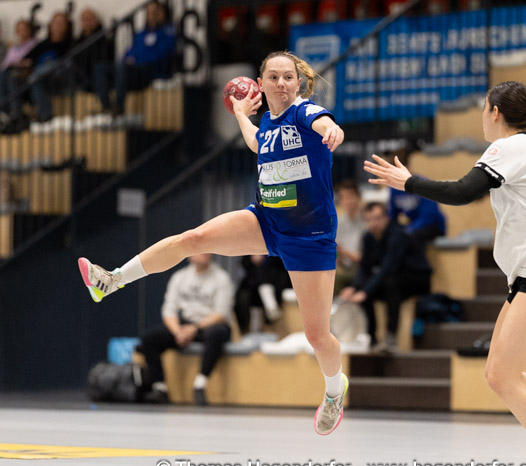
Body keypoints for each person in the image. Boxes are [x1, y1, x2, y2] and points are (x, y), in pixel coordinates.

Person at [78, 50, 348, 435]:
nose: (281, 83)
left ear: (298, 83)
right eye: (273, 77)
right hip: (266, 220)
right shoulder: (267, 121)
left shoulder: (305, 113)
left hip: (310, 237)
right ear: (261, 84)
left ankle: (335, 391)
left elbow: (324, 123)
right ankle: (111, 280)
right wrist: (240, 115)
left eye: (288, 77)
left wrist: (332, 131)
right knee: (194, 238)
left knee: (317, 336)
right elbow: (257, 144)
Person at [364, 81, 526, 466]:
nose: (483, 115)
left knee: (502, 377)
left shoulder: (509, 146)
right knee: (500, 371)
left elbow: (464, 192)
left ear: (495, 112)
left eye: (484, 107)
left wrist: (409, 182)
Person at [136, 254, 234, 405]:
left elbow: (221, 313)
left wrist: (194, 328)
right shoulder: (180, 277)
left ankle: (200, 384)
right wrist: (177, 331)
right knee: (149, 339)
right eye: (200, 250)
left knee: (217, 333)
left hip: (209, 324)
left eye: (207, 250)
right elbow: (169, 310)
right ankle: (160, 388)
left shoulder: (221, 277)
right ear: (189, 256)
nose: (205, 253)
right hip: (184, 324)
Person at [339, 202, 432, 351]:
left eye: (377, 218)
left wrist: (365, 292)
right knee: (364, 289)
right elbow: (365, 268)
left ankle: (391, 337)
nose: (373, 223)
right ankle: (371, 337)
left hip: (416, 278)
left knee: (389, 283)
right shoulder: (368, 237)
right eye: (369, 220)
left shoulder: (398, 234)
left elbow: (388, 268)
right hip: (393, 277)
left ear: (386, 218)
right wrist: (354, 288)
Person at [93, 0, 175, 115]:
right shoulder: (141, 34)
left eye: (155, 11)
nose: (152, 15)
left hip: (149, 71)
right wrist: (126, 59)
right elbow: (129, 52)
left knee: (122, 67)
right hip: (133, 71)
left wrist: (135, 60)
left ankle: (119, 107)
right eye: (149, 12)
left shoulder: (168, 32)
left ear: (162, 13)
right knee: (100, 68)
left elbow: (162, 54)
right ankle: (106, 107)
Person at [388, 149, 446, 246]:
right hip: (413, 225)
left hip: (433, 226)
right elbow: (392, 216)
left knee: (411, 238)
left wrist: (408, 229)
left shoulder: (421, 184)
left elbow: (428, 217)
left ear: (407, 167)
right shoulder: (394, 189)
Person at [23, 12, 73, 122]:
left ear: (66, 27)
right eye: (55, 23)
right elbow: (26, 59)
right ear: (50, 25)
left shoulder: (70, 43)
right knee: (33, 79)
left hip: (59, 79)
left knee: (44, 70)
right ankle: (44, 115)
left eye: (61, 23)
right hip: (41, 79)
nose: (57, 26)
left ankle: (45, 114)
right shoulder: (44, 44)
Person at [234, 255, 291, 333]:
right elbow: (245, 264)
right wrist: (252, 260)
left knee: (262, 274)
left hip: (277, 276)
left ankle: (267, 313)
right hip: (255, 280)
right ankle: (270, 307)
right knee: (249, 289)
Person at [0, 19, 37, 132]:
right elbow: (5, 63)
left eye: (24, 29)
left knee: (12, 77)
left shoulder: (33, 44)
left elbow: (31, 61)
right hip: (9, 73)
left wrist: (18, 63)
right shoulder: (13, 47)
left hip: (24, 75)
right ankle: (3, 112)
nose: (22, 32)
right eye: (19, 30)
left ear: (29, 30)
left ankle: (15, 113)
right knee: (2, 75)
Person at [334, 179, 364, 294]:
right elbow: (336, 252)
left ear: (358, 197)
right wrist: (337, 257)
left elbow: (363, 258)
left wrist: (343, 252)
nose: (347, 201)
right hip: (343, 268)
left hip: (361, 269)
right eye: (343, 197)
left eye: (350, 196)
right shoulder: (338, 222)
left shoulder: (367, 222)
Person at [73, 8, 115, 91]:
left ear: (96, 20)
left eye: (90, 18)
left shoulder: (104, 40)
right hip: (82, 78)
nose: (88, 22)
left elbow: (107, 59)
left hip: (98, 77)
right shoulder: (77, 42)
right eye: (85, 19)